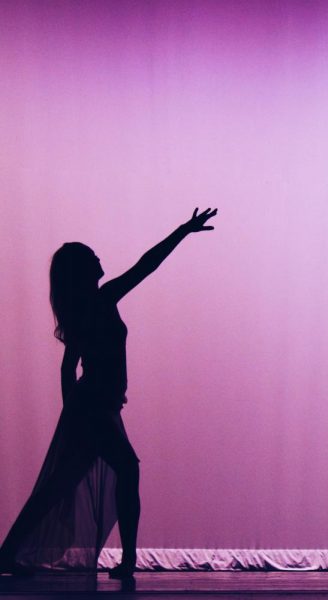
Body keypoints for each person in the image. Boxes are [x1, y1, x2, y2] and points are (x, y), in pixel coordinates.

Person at [0, 208, 217, 579]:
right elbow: (144, 267)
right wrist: (76, 416)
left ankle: (7, 554)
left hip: (97, 407)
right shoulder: (95, 303)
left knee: (60, 484)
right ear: (83, 271)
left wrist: (182, 231)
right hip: (94, 408)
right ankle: (128, 561)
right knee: (126, 469)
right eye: (93, 257)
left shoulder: (92, 303)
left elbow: (70, 367)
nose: (101, 260)